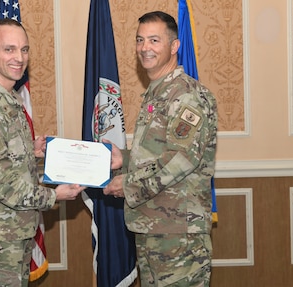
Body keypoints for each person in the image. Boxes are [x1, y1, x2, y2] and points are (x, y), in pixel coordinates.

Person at [0, 19, 85, 287]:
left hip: (11, 232)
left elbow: (0, 161)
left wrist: (30, 152)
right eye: (9, 49)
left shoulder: (7, 100)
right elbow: (1, 185)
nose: (19, 58)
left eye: (24, 50)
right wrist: (54, 195)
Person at [103, 11, 218, 286]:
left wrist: (128, 185)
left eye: (154, 40)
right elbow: (158, 155)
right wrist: (125, 159)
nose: (145, 48)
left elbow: (180, 160)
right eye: (140, 40)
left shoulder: (186, 96)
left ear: (174, 46)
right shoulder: (158, 93)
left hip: (179, 235)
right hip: (154, 228)